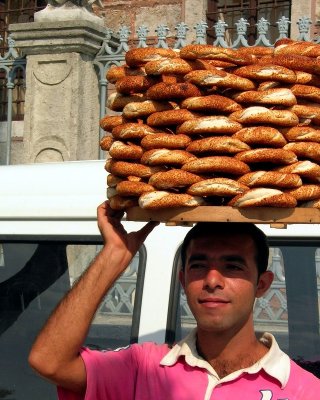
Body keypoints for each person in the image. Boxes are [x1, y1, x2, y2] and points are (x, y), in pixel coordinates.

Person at [28, 201, 320, 399]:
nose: (212, 280)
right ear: (183, 280)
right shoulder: (144, 368)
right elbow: (49, 361)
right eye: (198, 265)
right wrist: (114, 255)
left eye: (233, 266)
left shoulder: (304, 390)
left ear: (262, 284)